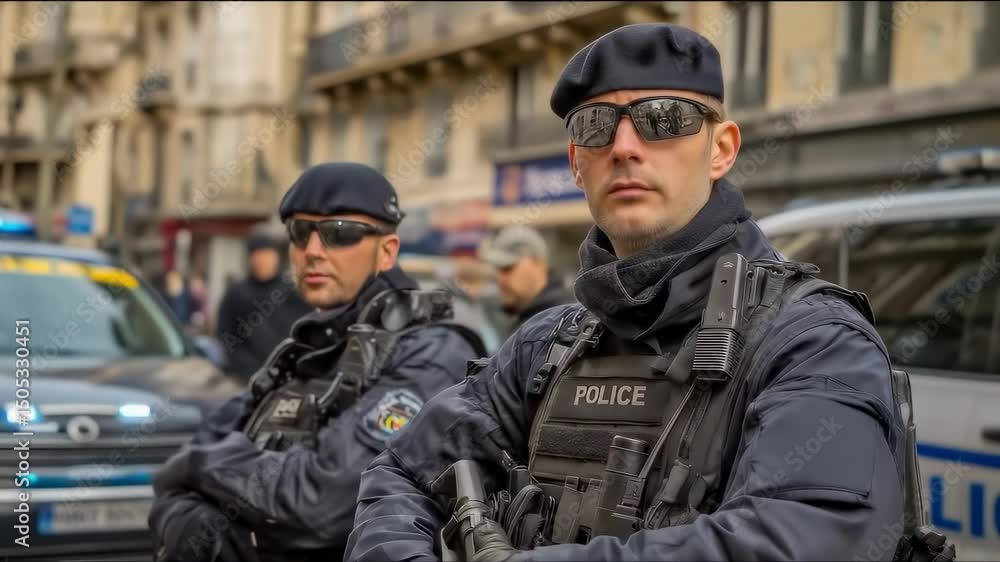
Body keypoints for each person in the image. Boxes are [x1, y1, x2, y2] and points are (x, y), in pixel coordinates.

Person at [346, 23, 945, 562]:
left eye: (665, 119)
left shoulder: (812, 340)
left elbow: (809, 537)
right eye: (596, 125)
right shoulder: (545, 346)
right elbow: (400, 474)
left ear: (722, 149)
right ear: (577, 163)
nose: (624, 147)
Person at [149, 162, 486, 562]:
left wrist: (201, 475)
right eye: (299, 231)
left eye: (339, 233)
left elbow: (321, 501)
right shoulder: (310, 346)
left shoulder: (431, 351)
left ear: (387, 251)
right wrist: (199, 526)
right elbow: (187, 466)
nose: (312, 251)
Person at [215, 223, 314, 381]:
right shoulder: (236, 294)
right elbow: (226, 337)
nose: (262, 261)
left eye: (267, 255)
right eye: (257, 255)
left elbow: (309, 333)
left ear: (276, 256)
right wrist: (250, 370)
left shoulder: (295, 291)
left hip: (292, 377)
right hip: (248, 379)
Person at [482, 225, 575, 330]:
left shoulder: (565, 319)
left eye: (508, 268)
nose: (500, 279)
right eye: (498, 270)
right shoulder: (533, 317)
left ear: (538, 263)